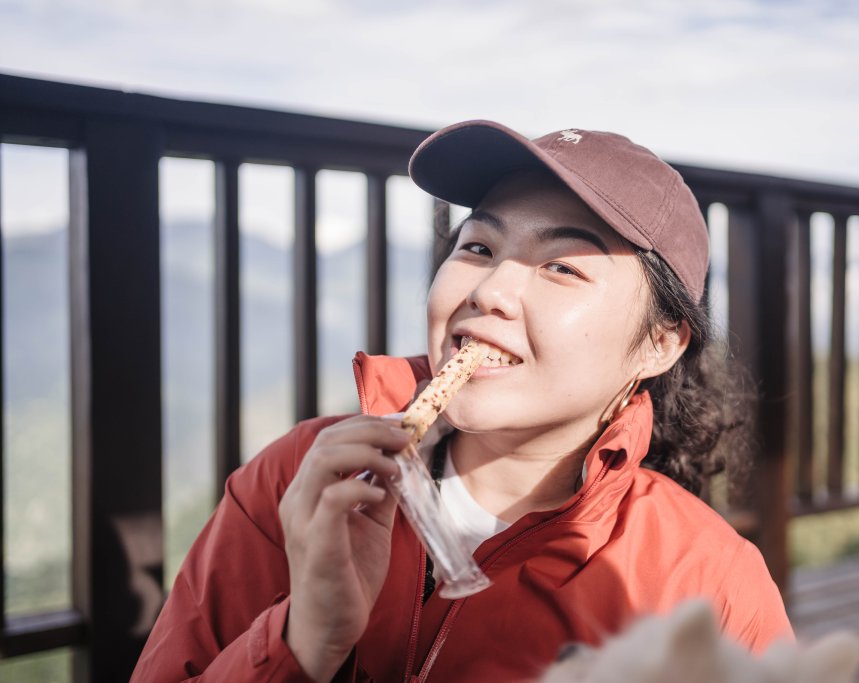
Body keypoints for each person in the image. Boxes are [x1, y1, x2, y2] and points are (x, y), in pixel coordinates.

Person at [132, 120, 793, 683]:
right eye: (477, 246)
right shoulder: (306, 476)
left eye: (562, 266)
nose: (491, 290)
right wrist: (303, 639)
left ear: (659, 343)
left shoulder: (709, 582)